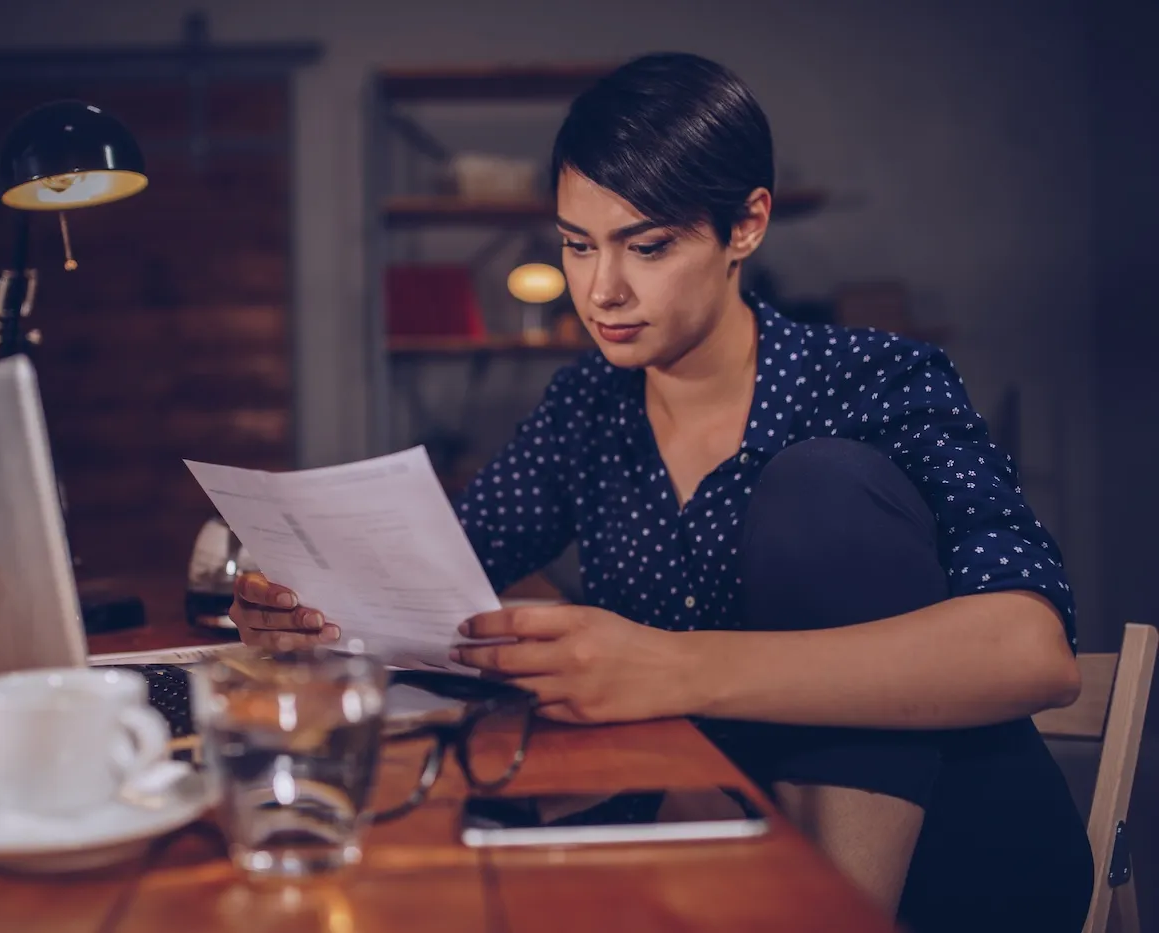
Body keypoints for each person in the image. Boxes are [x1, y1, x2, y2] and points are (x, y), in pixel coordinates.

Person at [230, 52, 1094, 932]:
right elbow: (441, 566)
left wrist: (665, 666)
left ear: (746, 225)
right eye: (576, 244)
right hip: (730, 842)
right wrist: (317, 606)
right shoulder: (588, 408)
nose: (602, 290)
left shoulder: (876, 378)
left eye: (647, 246)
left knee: (817, 487)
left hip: (960, 871)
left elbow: (1034, 650)